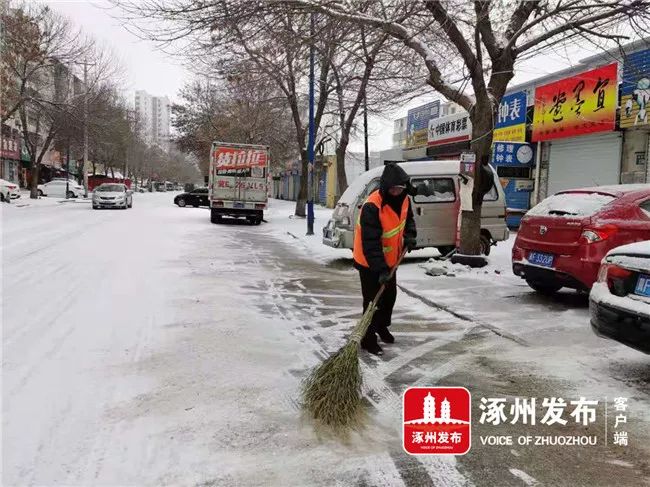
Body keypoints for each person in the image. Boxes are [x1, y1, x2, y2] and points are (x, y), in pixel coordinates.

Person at [352, 163, 417, 355]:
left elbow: (408, 220)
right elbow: (370, 242)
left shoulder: (405, 200)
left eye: (400, 188)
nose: (397, 192)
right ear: (386, 187)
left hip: (391, 260)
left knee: (389, 298)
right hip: (369, 262)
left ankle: (381, 326)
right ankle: (367, 338)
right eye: (394, 189)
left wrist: (411, 235)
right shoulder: (372, 206)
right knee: (372, 302)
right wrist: (380, 269)